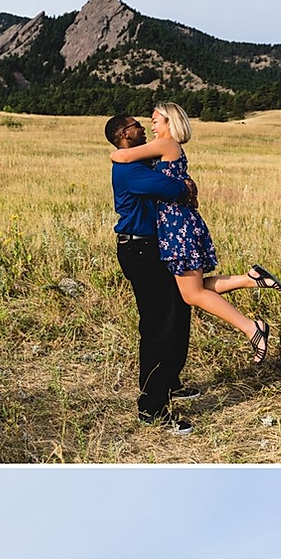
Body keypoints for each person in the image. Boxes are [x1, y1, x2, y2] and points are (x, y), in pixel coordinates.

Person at [110, 103, 279, 371]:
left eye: (155, 121)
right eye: (146, 123)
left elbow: (121, 157)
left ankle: (252, 328)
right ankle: (251, 279)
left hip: (177, 225)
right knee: (189, 289)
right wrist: (187, 186)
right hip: (175, 224)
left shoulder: (167, 144)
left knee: (191, 294)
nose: (149, 126)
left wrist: (117, 151)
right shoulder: (167, 147)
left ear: (169, 122)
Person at [106, 114, 196, 430]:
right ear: (124, 134)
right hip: (140, 251)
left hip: (152, 247)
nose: (143, 127)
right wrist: (185, 185)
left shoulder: (139, 163)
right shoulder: (131, 171)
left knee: (178, 311)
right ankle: (152, 409)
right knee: (158, 325)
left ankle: (170, 381)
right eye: (136, 126)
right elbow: (174, 190)